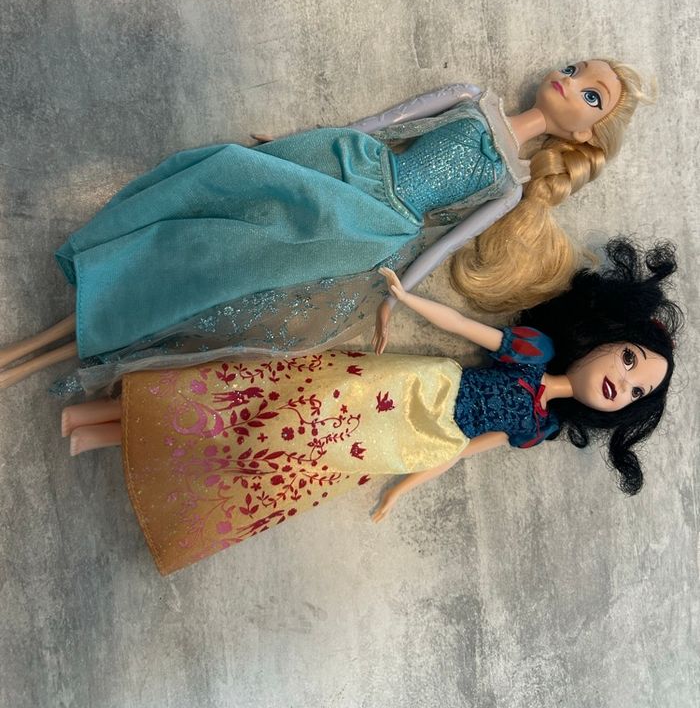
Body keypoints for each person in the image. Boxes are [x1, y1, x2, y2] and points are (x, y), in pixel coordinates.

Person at [0, 59, 650, 394]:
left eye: (591, 96)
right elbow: (380, 123)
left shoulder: (509, 188)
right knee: (213, 213)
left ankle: (64, 343)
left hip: (375, 228)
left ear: (584, 136)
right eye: (575, 71)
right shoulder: (470, 96)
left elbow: (444, 242)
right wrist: (294, 146)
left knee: (228, 275)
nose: (570, 84)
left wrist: (395, 298)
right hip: (347, 165)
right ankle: (58, 328)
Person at [59, 238, 680, 575]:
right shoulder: (532, 351)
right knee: (268, 403)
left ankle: (104, 431)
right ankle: (102, 419)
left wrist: (401, 489)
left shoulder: (538, 427)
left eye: (636, 393)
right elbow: (465, 328)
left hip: (405, 442)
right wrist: (406, 299)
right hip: (404, 389)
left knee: (276, 455)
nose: (622, 384)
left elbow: (464, 452)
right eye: (629, 360)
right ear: (605, 334)